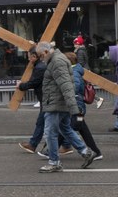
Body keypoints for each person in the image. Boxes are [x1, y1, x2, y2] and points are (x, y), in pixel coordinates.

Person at [35, 42, 95, 173]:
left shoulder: (56, 62)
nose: (40, 59)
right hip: (59, 102)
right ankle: (86, 152)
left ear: (46, 52)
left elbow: (66, 85)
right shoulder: (58, 59)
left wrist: (74, 108)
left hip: (56, 104)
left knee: (50, 132)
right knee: (66, 129)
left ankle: (54, 162)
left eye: (40, 56)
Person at [68, 52, 102, 161]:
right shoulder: (76, 70)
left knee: (67, 129)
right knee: (82, 129)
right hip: (79, 108)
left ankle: (50, 151)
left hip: (77, 107)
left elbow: (76, 86)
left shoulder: (74, 72)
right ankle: (96, 152)